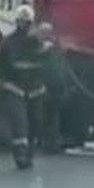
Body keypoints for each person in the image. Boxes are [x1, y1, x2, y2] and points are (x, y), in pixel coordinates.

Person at [0, 4, 46, 169]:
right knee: (20, 123)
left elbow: (47, 65)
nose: (24, 25)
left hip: (35, 90)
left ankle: (29, 151)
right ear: (17, 22)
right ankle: (20, 155)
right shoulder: (8, 43)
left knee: (35, 122)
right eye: (22, 21)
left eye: (27, 22)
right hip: (14, 88)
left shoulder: (37, 44)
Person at [35, 22, 66, 154]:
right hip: (56, 87)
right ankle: (53, 143)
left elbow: (42, 69)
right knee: (53, 116)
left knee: (44, 115)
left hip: (46, 87)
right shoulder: (57, 50)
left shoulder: (42, 50)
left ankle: (45, 142)